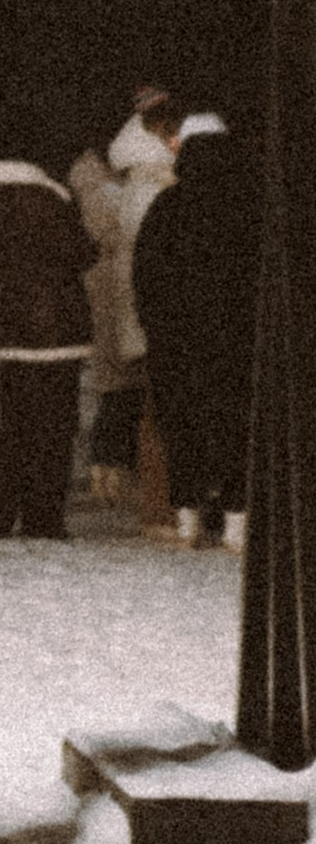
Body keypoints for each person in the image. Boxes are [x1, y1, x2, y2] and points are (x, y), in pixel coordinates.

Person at [0, 107, 97, 540]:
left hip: (10, 329)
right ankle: (43, 517)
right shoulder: (46, 197)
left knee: (16, 424)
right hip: (56, 329)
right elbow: (82, 252)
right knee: (56, 426)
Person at [130, 107, 257, 550]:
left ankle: (188, 517)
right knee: (234, 427)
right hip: (235, 341)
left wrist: (155, 328)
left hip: (177, 341)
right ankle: (237, 519)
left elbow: (144, 276)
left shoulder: (167, 206)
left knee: (183, 426)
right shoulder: (248, 208)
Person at [73, 84, 174, 492]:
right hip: (111, 287)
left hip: (121, 283)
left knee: (129, 379)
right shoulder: (94, 175)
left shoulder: (124, 170)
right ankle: (108, 462)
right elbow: (104, 230)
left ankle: (120, 463)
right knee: (119, 379)